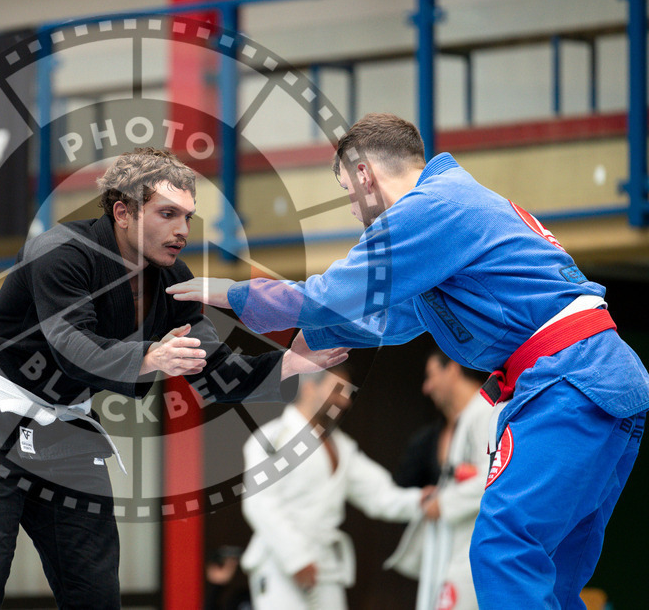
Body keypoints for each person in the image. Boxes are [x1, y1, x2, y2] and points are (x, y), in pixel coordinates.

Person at [167, 112, 649, 609]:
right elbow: (390, 318)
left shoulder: (432, 207)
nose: (353, 209)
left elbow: (334, 292)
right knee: (553, 572)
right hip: (600, 380)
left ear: (363, 175)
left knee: (505, 546)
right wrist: (309, 343)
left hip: (570, 376)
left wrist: (230, 292)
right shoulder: (450, 217)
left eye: (348, 193)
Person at [0, 147, 348, 609]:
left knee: (97, 595)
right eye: (168, 214)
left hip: (66, 431)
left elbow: (214, 373)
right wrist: (151, 355)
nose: (182, 231)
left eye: (188, 217)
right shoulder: (59, 252)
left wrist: (290, 363)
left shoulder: (173, 279)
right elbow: (72, 347)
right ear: (123, 212)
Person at [241, 367, 424, 610]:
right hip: (279, 562)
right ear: (309, 388)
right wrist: (296, 558)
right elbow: (260, 504)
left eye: (348, 393)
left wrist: (421, 501)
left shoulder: (342, 446)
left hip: (325, 564)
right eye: (338, 390)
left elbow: (379, 494)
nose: (345, 400)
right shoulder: (272, 438)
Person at [385, 350, 497, 610]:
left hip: (473, 553)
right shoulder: (467, 417)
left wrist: (444, 502)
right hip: (457, 549)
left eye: (431, 376)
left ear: (453, 369)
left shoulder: (484, 413)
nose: (427, 387)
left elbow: (494, 478)